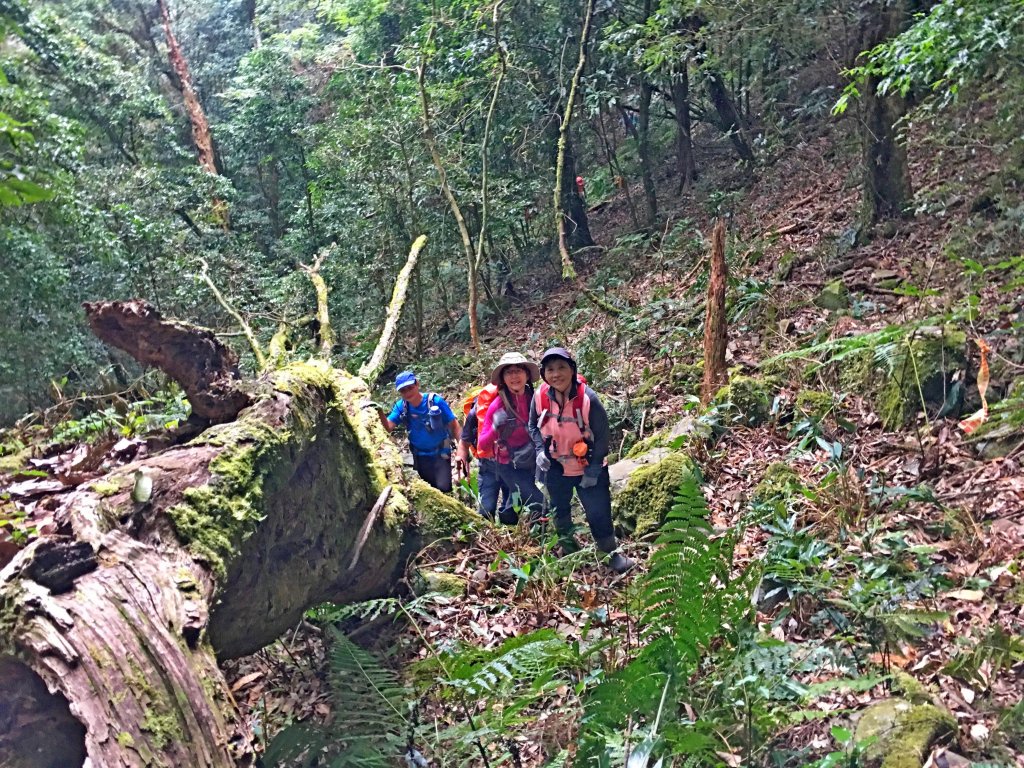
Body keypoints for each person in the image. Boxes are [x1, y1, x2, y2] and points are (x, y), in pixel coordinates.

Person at [529, 347, 635, 574]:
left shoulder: (588, 399)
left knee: (598, 511)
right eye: (550, 369)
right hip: (555, 466)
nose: (556, 374)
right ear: (543, 373)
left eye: (561, 368)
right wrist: (539, 450)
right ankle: (569, 551)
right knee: (560, 510)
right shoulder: (539, 396)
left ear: (572, 370)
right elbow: (532, 425)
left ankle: (611, 555)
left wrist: (594, 470)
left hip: (587, 465)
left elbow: (603, 436)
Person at [477, 353, 546, 524]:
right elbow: (482, 444)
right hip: (507, 464)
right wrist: (494, 427)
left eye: (518, 371)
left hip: (530, 460)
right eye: (509, 372)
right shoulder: (497, 405)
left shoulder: (535, 398)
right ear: (503, 379)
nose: (514, 376)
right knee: (539, 502)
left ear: (527, 375)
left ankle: (520, 535)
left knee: (514, 502)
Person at [376, 370, 461, 493]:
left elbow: (455, 426)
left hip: (442, 451)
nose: (407, 392)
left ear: (417, 384)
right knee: (430, 490)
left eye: (410, 388)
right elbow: (388, 427)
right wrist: (378, 411)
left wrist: (462, 451)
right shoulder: (402, 407)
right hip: (420, 455)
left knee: (443, 488)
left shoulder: (435, 401)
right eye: (403, 390)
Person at [455, 382, 510, 520]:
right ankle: (488, 537)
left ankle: (508, 537)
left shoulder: (522, 404)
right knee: (486, 510)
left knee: (510, 512)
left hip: (512, 466)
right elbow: (464, 442)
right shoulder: (477, 412)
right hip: (488, 466)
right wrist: (460, 468)